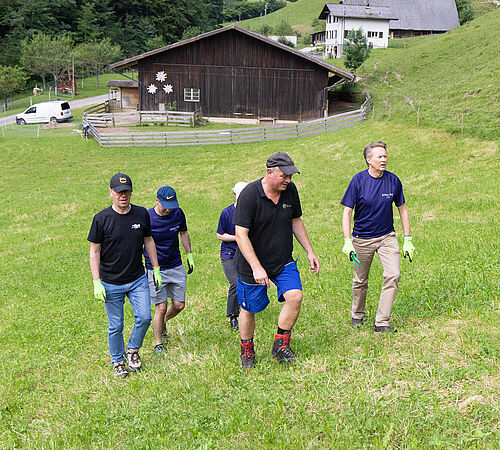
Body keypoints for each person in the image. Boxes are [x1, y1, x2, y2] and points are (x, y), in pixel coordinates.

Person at [233, 152, 320, 369]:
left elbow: (296, 221)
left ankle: (280, 346)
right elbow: (240, 234)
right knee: (249, 309)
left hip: (282, 260)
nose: (288, 180)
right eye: (284, 175)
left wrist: (309, 251)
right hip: (252, 264)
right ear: (269, 172)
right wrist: (256, 267)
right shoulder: (249, 195)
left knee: (295, 296)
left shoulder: (289, 190)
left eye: (291, 175)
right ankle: (247, 350)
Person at [88, 173, 162, 378]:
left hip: (137, 278)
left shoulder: (140, 214)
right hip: (111, 282)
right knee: (116, 325)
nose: (123, 195)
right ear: (111, 192)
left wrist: (155, 268)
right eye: (119, 192)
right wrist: (97, 281)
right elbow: (95, 250)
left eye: (127, 191)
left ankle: (132, 350)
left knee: (145, 316)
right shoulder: (101, 219)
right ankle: (118, 361)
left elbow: (148, 240)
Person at [340, 141, 415, 333]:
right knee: (360, 280)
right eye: (379, 156)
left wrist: (408, 239)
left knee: (393, 275)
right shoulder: (358, 181)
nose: (384, 159)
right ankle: (357, 315)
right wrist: (348, 241)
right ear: (369, 160)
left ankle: (382, 322)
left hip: (386, 237)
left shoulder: (393, 180)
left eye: (385, 156)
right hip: (362, 239)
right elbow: (347, 212)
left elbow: (403, 209)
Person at [143, 186, 194, 355]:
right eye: (165, 204)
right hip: (155, 268)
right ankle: (158, 343)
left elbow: (183, 233)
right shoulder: (148, 217)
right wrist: (152, 268)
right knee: (160, 307)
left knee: (179, 305)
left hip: (175, 265)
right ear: (156, 200)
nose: (168, 209)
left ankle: (162, 322)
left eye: (171, 204)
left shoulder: (178, 213)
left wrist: (189, 255)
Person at [216, 182, 248, 330]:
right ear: (234, 195)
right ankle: (233, 315)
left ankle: (247, 308)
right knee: (235, 283)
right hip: (229, 254)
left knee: (246, 282)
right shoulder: (226, 213)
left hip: (246, 253)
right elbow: (219, 235)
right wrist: (238, 237)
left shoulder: (251, 211)